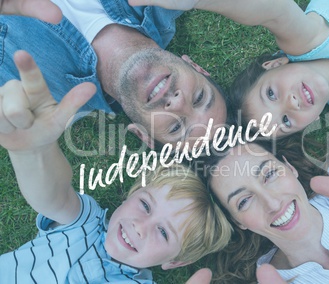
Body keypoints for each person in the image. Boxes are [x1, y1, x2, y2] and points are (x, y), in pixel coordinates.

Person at [0, 50, 232, 283]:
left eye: (163, 233)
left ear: (176, 262)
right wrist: (33, 152)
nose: (140, 227)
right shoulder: (86, 225)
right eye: (144, 205)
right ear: (129, 197)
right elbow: (52, 195)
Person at [128, 0, 329, 138]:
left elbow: (272, 10)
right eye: (285, 121)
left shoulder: (306, 42)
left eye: (271, 94)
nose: (291, 104)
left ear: (275, 64)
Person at [0, 0, 228, 149]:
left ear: (142, 134)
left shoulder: (34, 91)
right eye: (199, 98)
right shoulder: (171, 3)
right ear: (197, 67)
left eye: (176, 127)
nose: (177, 103)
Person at [200, 140, 329, 283]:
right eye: (244, 201)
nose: (272, 203)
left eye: (269, 174)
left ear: (289, 168)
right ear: (238, 222)